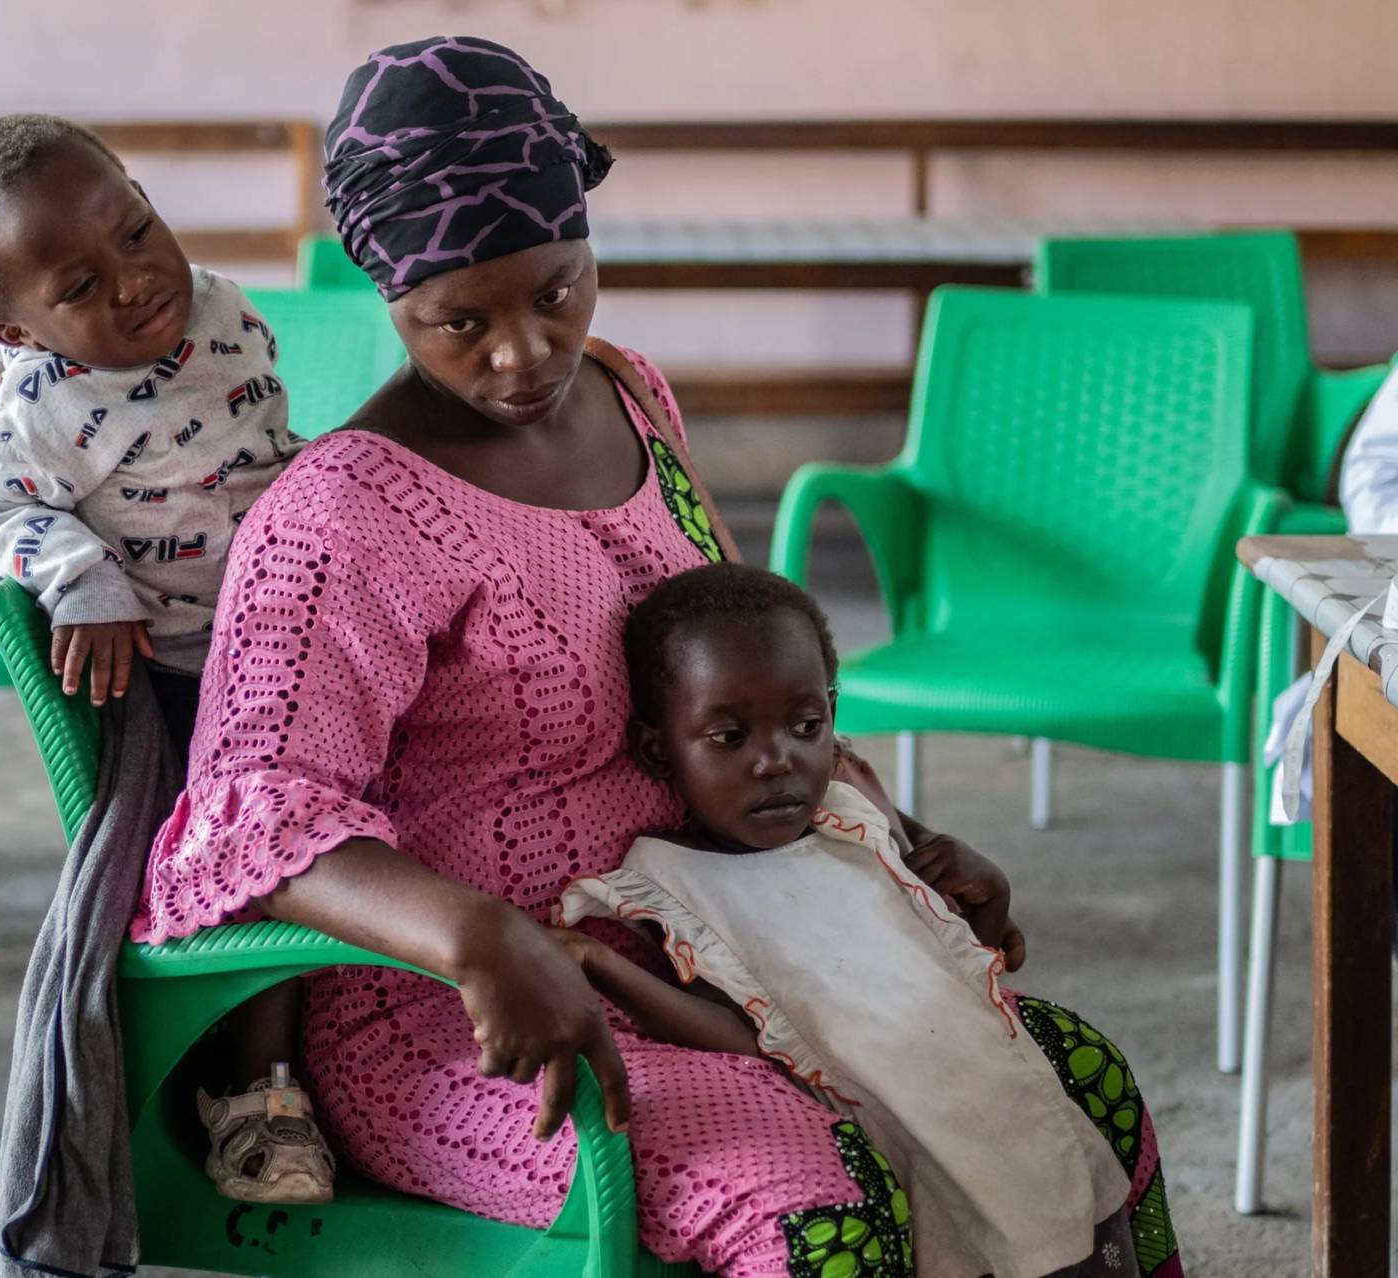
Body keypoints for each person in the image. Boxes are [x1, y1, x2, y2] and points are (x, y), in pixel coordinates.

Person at [134, 35, 1185, 1277]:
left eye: (557, 291)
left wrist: (891, 856)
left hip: (725, 937)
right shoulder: (340, 516)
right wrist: (482, 937)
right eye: (457, 321)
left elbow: (735, 681)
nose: (523, 353)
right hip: (476, 1024)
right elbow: (252, 818)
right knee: (825, 1213)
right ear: (387, 298)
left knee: (1081, 1090)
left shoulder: (631, 398)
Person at [0, 114, 332, 1205]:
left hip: (285, 646)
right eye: (79, 285)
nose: (136, 281)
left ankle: (342, 1066)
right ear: (12, 331)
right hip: (177, 674)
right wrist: (85, 579)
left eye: (138, 231)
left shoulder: (225, 309)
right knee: (256, 862)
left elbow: (262, 457)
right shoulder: (48, 402)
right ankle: (254, 1096)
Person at [557, 564, 1135, 1277]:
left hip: (984, 1082)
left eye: (805, 726)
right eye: (729, 737)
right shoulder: (673, 883)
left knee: (1072, 1167)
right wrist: (604, 967)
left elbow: (945, 953)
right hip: (884, 1121)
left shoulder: (851, 818)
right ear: (658, 749)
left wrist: (983, 887)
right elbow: (746, 1036)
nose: (777, 761)